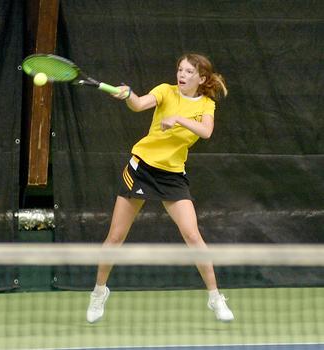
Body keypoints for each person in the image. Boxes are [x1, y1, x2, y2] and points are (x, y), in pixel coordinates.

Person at [86, 53, 234, 323]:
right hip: (142, 169)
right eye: (180, 69)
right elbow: (140, 104)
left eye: (189, 72)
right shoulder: (165, 91)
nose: (183, 75)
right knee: (115, 237)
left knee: (193, 236)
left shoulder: (206, 104)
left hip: (173, 176)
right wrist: (128, 93)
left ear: (201, 79)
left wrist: (178, 119)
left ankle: (215, 297)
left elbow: (206, 131)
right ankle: (98, 292)